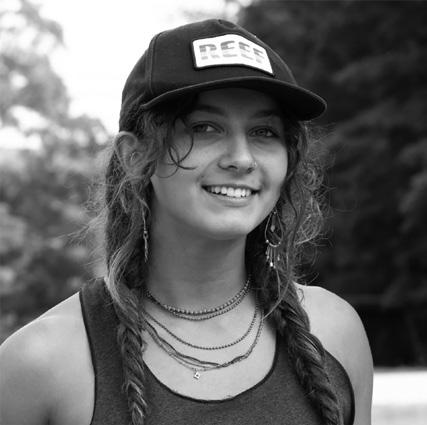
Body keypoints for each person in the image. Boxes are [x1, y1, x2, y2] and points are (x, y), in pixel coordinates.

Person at [0, 19, 373, 425]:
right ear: (134, 156)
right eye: (205, 127)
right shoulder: (42, 365)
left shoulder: (335, 334)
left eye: (264, 131)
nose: (241, 158)